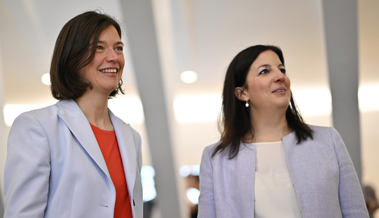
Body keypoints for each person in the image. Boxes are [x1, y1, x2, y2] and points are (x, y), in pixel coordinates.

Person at [197, 45, 369, 218]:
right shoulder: (216, 159)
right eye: (264, 71)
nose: (280, 77)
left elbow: (356, 212)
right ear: (242, 93)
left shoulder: (328, 140)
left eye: (282, 70)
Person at [3, 11, 142, 218]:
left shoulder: (131, 137)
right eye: (99, 48)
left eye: (118, 48)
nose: (113, 57)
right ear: (73, 57)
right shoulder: (37, 128)